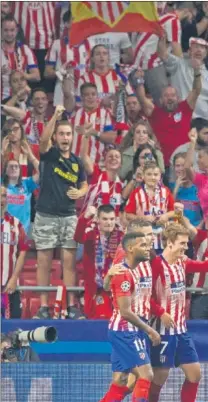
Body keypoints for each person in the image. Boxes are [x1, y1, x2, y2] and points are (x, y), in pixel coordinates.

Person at [141, 224, 208, 402]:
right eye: (182, 243)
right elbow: (145, 296)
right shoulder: (156, 265)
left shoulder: (182, 262)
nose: (186, 247)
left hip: (181, 329)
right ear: (169, 243)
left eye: (186, 243)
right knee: (158, 379)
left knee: (195, 374)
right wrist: (161, 312)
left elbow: (205, 266)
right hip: (162, 330)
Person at [97, 232, 161, 402]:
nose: (147, 248)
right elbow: (124, 311)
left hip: (120, 330)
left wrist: (107, 278)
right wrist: (149, 329)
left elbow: (107, 287)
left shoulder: (128, 271)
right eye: (143, 244)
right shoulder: (125, 274)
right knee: (146, 374)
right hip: (126, 330)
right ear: (131, 249)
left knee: (121, 378)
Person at [32, 106, 88, 320]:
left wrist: (81, 191)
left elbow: (85, 184)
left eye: (68, 134)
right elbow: (42, 141)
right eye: (62, 134)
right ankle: (44, 307)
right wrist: (55, 116)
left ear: (72, 137)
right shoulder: (49, 154)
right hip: (46, 214)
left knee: (69, 263)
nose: (65, 137)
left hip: (68, 215)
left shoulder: (76, 161)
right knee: (43, 261)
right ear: (56, 137)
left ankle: (71, 307)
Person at [134, 64, 202, 169]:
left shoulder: (185, 107)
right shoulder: (154, 112)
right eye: (166, 95)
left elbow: (196, 91)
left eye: (173, 95)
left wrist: (197, 72)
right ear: (160, 99)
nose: (170, 98)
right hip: (163, 165)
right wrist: (139, 80)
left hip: (185, 162)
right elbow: (142, 98)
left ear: (178, 98)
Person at [74, 205, 124, 319]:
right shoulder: (91, 233)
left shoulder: (120, 236)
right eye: (105, 219)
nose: (109, 222)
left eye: (112, 219)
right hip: (93, 287)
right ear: (98, 220)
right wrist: (85, 217)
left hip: (114, 287)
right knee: (94, 321)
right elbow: (78, 238)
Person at [158, 34, 208, 128]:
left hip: (203, 123)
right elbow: (163, 54)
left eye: (202, 48)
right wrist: (161, 36)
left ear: (206, 54)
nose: (199, 50)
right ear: (189, 51)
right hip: (181, 119)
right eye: (196, 47)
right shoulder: (178, 64)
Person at [131, 7, 182, 103]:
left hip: (136, 66)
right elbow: (176, 48)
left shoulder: (146, 18)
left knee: (139, 104)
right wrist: (183, 72)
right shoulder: (172, 19)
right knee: (163, 104)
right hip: (153, 66)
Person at [125, 161, 175, 254]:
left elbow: (175, 212)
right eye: (149, 174)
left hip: (162, 240)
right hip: (142, 239)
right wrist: (142, 218)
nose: (152, 177)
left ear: (160, 176)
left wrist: (166, 216)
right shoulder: (136, 193)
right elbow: (128, 215)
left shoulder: (166, 191)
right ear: (143, 176)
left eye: (155, 174)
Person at [44, 9, 91, 107]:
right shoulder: (57, 44)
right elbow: (47, 73)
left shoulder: (91, 44)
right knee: (62, 121)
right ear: (66, 23)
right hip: (62, 91)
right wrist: (60, 72)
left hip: (86, 92)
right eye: (74, 19)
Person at [79, 126, 123, 218]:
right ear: (105, 161)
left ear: (121, 164)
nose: (113, 158)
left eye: (117, 157)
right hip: (86, 225)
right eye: (110, 156)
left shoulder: (121, 186)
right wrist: (86, 136)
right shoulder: (96, 173)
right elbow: (83, 156)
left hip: (108, 228)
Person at [1, 185, 29, 319]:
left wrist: (14, 278)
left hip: (10, 287)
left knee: (12, 331)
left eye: (4, 195)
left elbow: (22, 252)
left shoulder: (17, 224)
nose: (2, 199)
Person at [1, 15, 40, 100]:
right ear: (1, 31)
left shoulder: (25, 50)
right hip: (2, 100)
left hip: (22, 100)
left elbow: (37, 76)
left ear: (17, 30)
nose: (9, 34)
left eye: (12, 30)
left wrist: (23, 75)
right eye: (6, 30)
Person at [2, 158, 39, 235]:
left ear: (20, 171)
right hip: (3, 230)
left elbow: (42, 172)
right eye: (11, 166)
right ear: (5, 170)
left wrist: (30, 156)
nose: (14, 168)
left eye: (16, 166)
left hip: (22, 232)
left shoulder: (26, 184)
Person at [169, 153, 203, 229]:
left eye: (183, 165)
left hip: (195, 228)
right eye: (177, 166)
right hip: (177, 229)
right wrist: (176, 189)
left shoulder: (198, 187)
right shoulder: (170, 186)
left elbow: (207, 211)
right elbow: (169, 209)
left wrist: (199, 226)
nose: (181, 168)